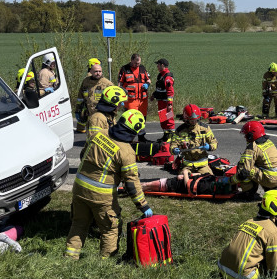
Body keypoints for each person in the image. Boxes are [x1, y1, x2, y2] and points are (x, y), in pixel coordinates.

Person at [65, 109, 153, 260]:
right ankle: (106, 263)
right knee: (110, 229)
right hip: (102, 196)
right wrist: (143, 206)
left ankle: (70, 257)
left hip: (79, 188)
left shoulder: (98, 134)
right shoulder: (126, 152)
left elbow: (83, 155)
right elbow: (131, 185)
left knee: (79, 224)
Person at [218, 190, 277, 279]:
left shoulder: (250, 221)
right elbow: (276, 269)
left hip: (223, 269)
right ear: (274, 209)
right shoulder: (273, 232)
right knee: (276, 268)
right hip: (242, 277)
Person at [229, 120, 277, 198]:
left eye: (246, 135)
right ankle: (271, 189)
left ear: (250, 135)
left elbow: (243, 173)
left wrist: (229, 181)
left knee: (242, 166)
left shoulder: (252, 148)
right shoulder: (268, 142)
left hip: (270, 179)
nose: (245, 137)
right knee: (261, 166)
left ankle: (248, 193)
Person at [169, 104, 218, 175]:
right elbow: (173, 145)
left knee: (208, 180)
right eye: (191, 120)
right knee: (183, 180)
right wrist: (174, 149)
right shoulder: (180, 131)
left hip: (203, 165)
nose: (194, 122)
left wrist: (209, 147)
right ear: (186, 119)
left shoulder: (205, 128)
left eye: (196, 120)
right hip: (187, 166)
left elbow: (214, 143)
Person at [75, 59, 112, 133]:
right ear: (91, 71)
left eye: (100, 71)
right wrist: (78, 109)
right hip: (90, 114)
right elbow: (80, 95)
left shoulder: (107, 84)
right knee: (91, 136)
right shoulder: (86, 81)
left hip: (102, 116)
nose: (98, 73)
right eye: (96, 71)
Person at [118, 53, 151, 117]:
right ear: (131, 60)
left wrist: (147, 84)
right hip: (131, 100)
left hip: (142, 100)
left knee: (142, 117)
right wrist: (120, 98)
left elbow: (149, 80)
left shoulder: (142, 68)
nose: (137, 65)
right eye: (136, 63)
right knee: (131, 118)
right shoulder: (124, 69)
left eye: (139, 63)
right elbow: (120, 84)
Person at [150, 58, 175, 139]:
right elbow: (159, 88)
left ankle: (171, 137)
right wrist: (154, 95)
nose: (157, 66)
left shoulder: (167, 77)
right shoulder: (161, 75)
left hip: (166, 103)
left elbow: (170, 92)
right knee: (163, 120)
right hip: (161, 102)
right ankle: (166, 136)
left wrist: (170, 104)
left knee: (169, 120)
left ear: (162, 65)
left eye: (158, 65)